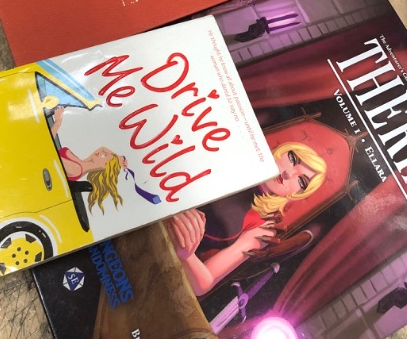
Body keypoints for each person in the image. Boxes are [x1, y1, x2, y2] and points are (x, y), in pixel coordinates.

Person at [166, 141, 326, 296]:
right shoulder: (232, 154)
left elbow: (204, 283)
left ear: (298, 194)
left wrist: (186, 254)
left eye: (301, 181)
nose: (288, 174)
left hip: (169, 252)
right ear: (280, 150)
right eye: (292, 158)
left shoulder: (264, 226)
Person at [50, 105, 127, 213]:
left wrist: (58, 122)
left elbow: (48, 154)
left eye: (104, 155)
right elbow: (103, 148)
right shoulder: (80, 163)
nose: (100, 152)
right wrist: (119, 158)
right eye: (104, 152)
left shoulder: (76, 169)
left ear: (104, 167)